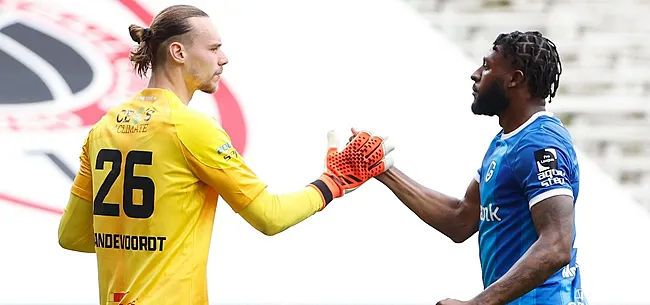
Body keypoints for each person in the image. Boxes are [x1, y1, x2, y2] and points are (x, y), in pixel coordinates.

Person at [56, 4, 394, 305]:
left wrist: (140, 243)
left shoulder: (103, 128)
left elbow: (72, 236)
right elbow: (270, 216)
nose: (224, 58)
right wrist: (333, 182)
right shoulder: (191, 128)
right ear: (178, 52)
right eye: (214, 48)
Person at [368, 30, 586, 305]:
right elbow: (460, 219)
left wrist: (477, 304)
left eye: (487, 66)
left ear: (514, 79)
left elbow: (557, 245)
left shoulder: (540, 144)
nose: (475, 74)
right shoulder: (505, 142)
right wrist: (382, 170)